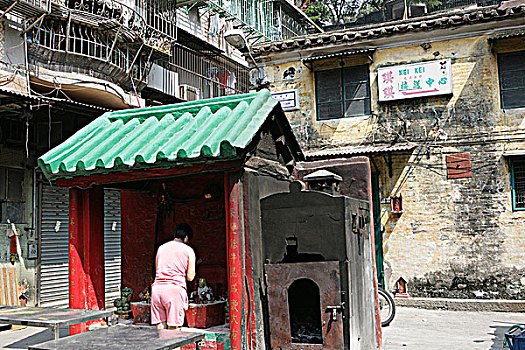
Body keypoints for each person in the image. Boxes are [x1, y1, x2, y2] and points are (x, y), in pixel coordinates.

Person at [151, 223, 196, 329]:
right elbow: (190, 276)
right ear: (186, 237)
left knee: (160, 325)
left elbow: (157, 269)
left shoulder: (161, 248)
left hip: (157, 290)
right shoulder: (188, 250)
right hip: (174, 290)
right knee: (174, 328)